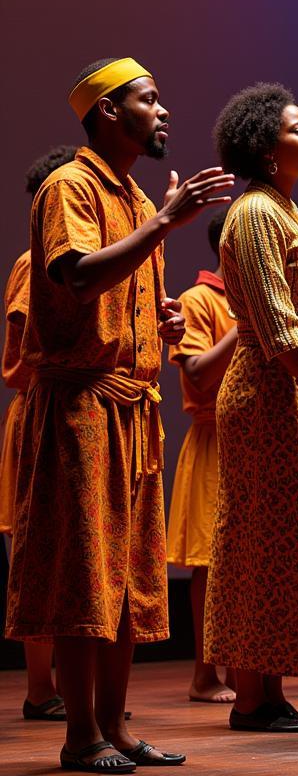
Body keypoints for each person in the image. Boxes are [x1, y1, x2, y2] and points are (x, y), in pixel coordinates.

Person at [6, 57, 233, 772]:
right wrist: (170, 219)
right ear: (108, 112)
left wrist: (156, 319)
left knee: (131, 576)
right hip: (81, 405)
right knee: (85, 573)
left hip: (133, 410)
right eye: (148, 100)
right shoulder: (68, 186)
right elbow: (75, 275)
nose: (163, 112)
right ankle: (81, 736)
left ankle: (116, 728)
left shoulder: (134, 197)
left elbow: (118, 287)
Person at [204, 82, 298, 734]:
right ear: (265, 148)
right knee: (263, 540)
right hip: (266, 392)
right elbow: (277, 325)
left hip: (292, 391)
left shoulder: (284, 210)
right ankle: (249, 695)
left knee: (290, 542)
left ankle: (266, 686)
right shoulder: (256, 213)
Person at [0, 145, 77, 721]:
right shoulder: (36, 263)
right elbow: (23, 358)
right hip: (42, 409)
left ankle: (63, 691)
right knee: (42, 555)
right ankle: (40, 690)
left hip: (71, 405)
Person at [165, 208, 237, 704]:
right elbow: (197, 374)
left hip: (255, 440)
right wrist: (246, 324)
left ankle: (246, 670)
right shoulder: (199, 299)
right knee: (210, 565)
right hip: (215, 440)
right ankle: (205, 674)